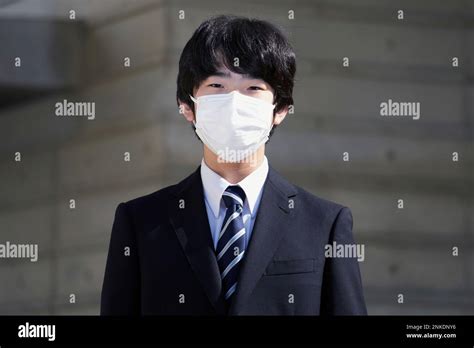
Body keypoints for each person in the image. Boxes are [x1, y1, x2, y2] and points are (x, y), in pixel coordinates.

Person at [101, 15, 367, 315]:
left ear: (279, 109)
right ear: (187, 106)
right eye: (217, 84)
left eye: (253, 87)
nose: (234, 103)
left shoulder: (324, 224)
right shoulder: (140, 223)